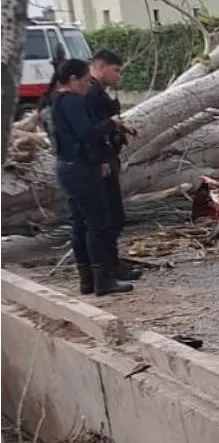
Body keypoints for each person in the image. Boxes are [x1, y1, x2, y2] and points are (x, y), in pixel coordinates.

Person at [44, 59, 132, 296]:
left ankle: (87, 279)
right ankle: (103, 279)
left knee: (80, 224)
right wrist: (110, 123)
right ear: (72, 80)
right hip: (82, 168)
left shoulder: (54, 101)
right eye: (84, 82)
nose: (86, 87)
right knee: (98, 223)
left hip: (67, 166)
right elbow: (86, 133)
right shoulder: (72, 102)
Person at [85, 49, 141, 280]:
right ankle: (107, 267)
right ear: (100, 66)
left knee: (112, 216)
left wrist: (119, 126)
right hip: (101, 160)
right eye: (115, 70)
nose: (118, 76)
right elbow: (90, 131)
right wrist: (100, 159)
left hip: (107, 156)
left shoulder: (98, 92)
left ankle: (110, 263)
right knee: (110, 217)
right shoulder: (90, 92)